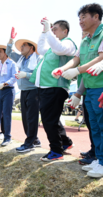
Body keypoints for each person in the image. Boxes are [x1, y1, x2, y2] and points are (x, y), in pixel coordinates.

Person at [55, 3, 103, 177]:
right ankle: (99, 159)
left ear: (96, 17)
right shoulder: (85, 39)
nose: (80, 21)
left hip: (100, 87)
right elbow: (76, 60)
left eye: (84, 17)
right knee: (95, 127)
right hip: (90, 89)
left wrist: (78, 70)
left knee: (102, 126)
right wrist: (63, 69)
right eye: (79, 18)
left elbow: (101, 58)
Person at [29, 18, 76, 161]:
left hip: (55, 87)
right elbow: (40, 48)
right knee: (52, 119)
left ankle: (56, 151)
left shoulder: (67, 43)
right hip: (46, 88)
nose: (53, 31)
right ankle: (65, 143)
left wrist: (48, 31)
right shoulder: (52, 48)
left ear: (65, 31)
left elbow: (59, 48)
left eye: (55, 29)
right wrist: (44, 32)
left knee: (49, 120)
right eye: (52, 28)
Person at [6, 27, 42, 153]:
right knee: (25, 117)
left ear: (31, 47)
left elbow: (38, 74)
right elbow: (9, 52)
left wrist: (25, 75)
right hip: (23, 90)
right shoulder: (21, 58)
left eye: (24, 45)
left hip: (34, 90)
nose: (21, 48)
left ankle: (29, 143)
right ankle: (34, 140)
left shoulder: (37, 58)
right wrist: (11, 39)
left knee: (31, 117)